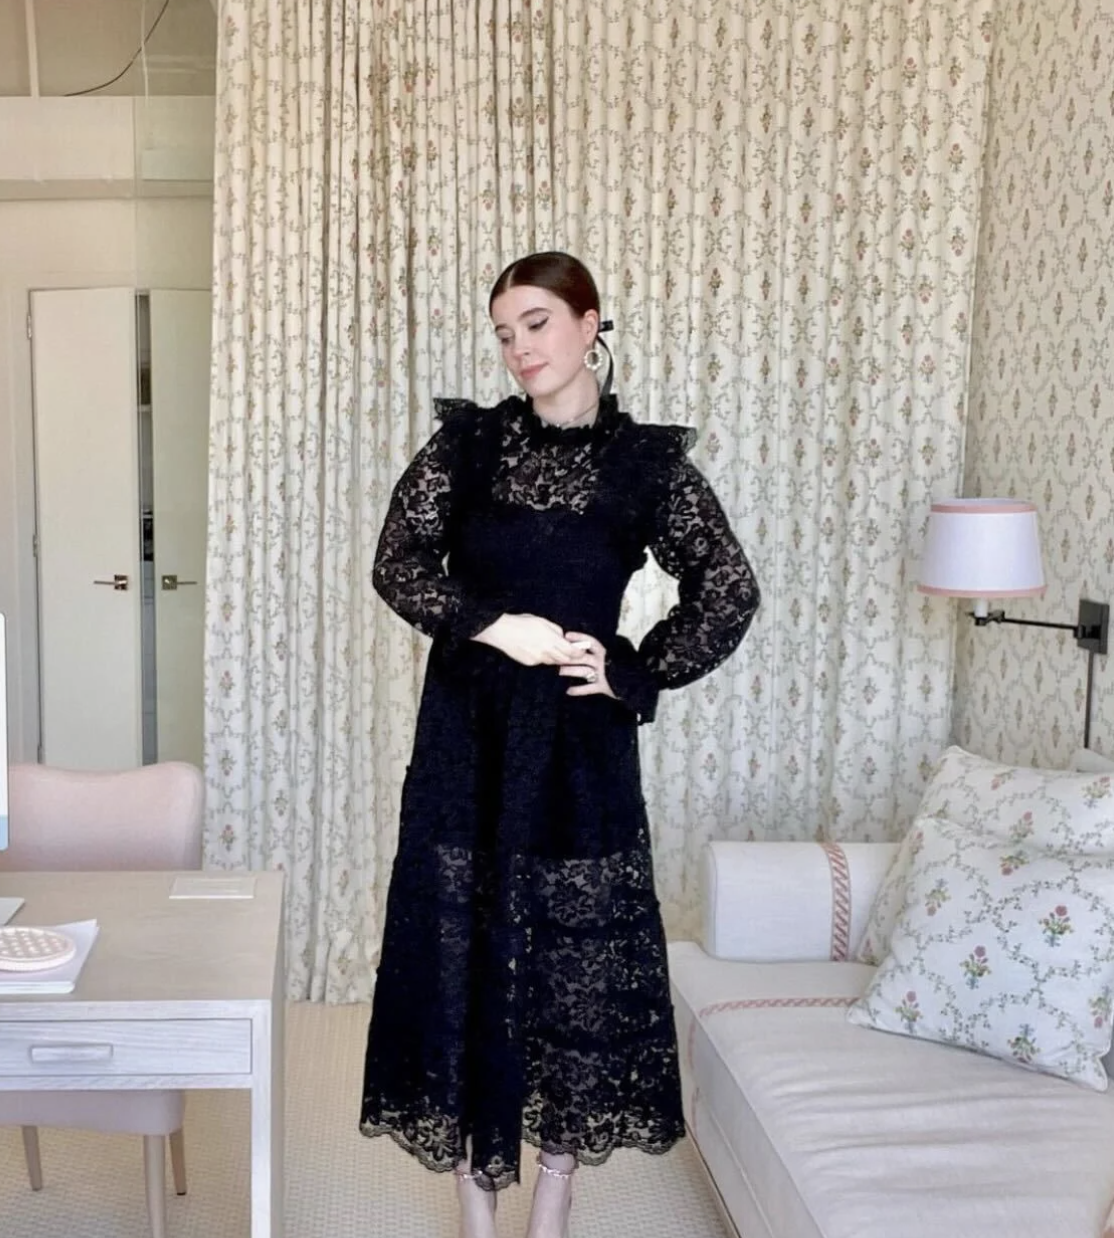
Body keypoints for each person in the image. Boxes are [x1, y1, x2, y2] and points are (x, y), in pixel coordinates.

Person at [360, 251, 760, 1238]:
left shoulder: (645, 466)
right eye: (504, 332)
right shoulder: (468, 446)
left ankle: (554, 1189)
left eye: (536, 323)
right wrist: (492, 624)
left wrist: (632, 670)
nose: (518, 347)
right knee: (463, 952)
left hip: (579, 750)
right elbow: (396, 562)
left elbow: (727, 588)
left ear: (589, 324)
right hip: (466, 738)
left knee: (569, 969)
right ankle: (474, 1200)